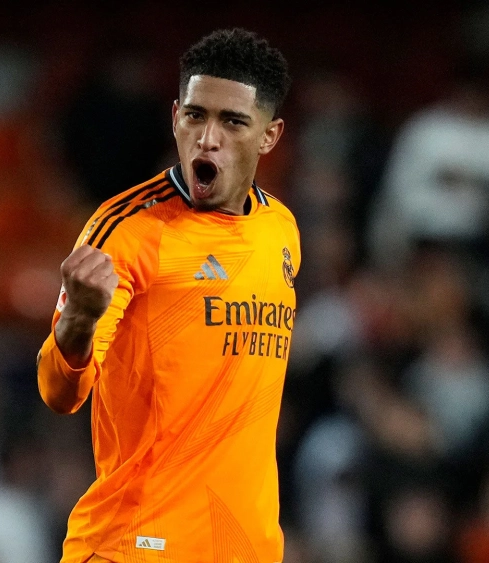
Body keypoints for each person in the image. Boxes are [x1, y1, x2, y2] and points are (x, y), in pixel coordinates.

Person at [36, 28, 297, 563]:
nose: (208, 138)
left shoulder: (282, 230)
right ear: (175, 115)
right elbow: (59, 393)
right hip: (136, 546)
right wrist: (79, 322)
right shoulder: (127, 230)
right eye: (196, 115)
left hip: (246, 548)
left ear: (269, 137)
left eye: (232, 121)